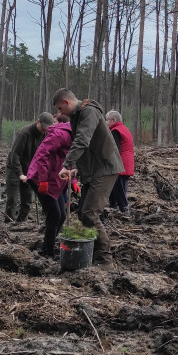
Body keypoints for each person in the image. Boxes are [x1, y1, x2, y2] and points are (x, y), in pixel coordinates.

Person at [53, 88, 124, 265]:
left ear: (67, 102)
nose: (60, 113)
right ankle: (88, 252)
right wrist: (76, 168)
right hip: (93, 170)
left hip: (105, 169)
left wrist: (66, 165)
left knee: (90, 213)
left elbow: (82, 141)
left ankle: (104, 258)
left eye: (60, 109)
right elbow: (88, 146)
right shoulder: (78, 116)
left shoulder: (89, 112)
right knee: (83, 214)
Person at [26, 114, 78, 257]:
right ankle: (47, 252)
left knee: (61, 216)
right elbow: (42, 155)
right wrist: (42, 180)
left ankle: (47, 245)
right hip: (40, 179)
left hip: (56, 179)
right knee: (54, 214)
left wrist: (73, 181)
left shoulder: (75, 139)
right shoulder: (59, 135)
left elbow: (70, 160)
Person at [5, 112, 54, 223]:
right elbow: (15, 155)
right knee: (12, 198)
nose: (44, 130)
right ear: (38, 122)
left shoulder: (46, 135)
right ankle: (8, 223)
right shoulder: (24, 133)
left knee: (27, 199)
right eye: (43, 127)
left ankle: (21, 223)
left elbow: (43, 155)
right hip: (14, 168)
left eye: (47, 128)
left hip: (30, 170)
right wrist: (20, 173)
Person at [105, 110, 134, 216]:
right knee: (117, 187)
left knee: (118, 188)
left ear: (113, 120)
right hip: (126, 164)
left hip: (119, 165)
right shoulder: (124, 129)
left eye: (107, 120)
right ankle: (114, 206)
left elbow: (113, 150)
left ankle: (124, 209)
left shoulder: (115, 131)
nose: (106, 123)